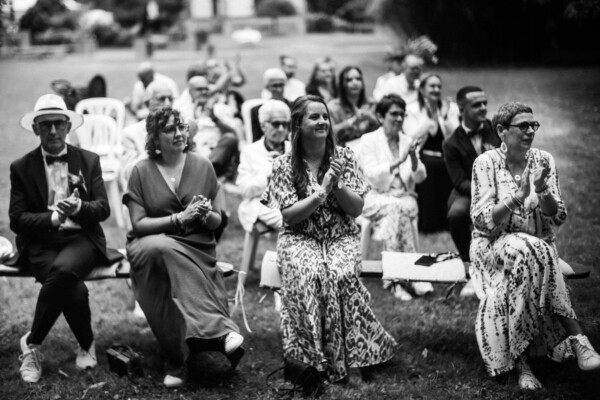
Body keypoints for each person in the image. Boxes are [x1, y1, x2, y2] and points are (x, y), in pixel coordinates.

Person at [261, 95, 397, 384]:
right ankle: (312, 360)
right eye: (314, 117)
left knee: (340, 274)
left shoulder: (345, 157)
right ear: (298, 124)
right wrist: (320, 192)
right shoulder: (285, 165)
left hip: (340, 236)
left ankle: (354, 356)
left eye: (325, 116)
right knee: (311, 274)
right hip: (299, 237)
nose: (323, 121)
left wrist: (337, 186)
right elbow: (290, 217)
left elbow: (357, 209)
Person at [470, 101, 600, 389]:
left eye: (534, 125)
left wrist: (541, 190)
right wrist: (517, 196)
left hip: (536, 247)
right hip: (494, 246)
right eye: (523, 126)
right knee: (538, 251)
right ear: (502, 131)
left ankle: (522, 363)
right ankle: (577, 338)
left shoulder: (544, 160)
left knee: (535, 252)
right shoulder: (486, 163)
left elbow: (558, 215)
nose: (530, 131)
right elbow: (482, 222)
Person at [123, 106, 244, 388]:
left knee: (168, 263)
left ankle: (178, 359)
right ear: (154, 137)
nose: (178, 133)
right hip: (148, 245)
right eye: (169, 129)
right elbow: (138, 224)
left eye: (181, 127)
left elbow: (216, 222)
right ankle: (217, 331)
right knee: (161, 249)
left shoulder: (203, 166)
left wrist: (202, 214)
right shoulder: (139, 171)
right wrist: (179, 218)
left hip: (195, 246)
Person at [10, 94, 122, 383]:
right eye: (45, 125)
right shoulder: (21, 167)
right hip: (40, 243)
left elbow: (103, 209)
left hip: (81, 240)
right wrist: (54, 218)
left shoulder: (87, 160)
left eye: (58, 124)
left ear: (68, 126)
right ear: (35, 128)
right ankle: (86, 344)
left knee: (63, 271)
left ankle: (32, 343)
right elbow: (17, 220)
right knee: (75, 290)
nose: (53, 131)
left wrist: (80, 208)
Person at [359, 94, 432, 301]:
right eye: (394, 114)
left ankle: (399, 279)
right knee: (394, 208)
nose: (399, 119)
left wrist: (414, 159)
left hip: (404, 198)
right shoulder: (369, 140)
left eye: (402, 114)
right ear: (381, 117)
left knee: (397, 208)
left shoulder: (407, 141)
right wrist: (397, 162)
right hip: (374, 197)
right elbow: (371, 173)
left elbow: (420, 177)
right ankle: (404, 278)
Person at [442, 86, 501, 296]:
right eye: (477, 105)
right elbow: (459, 181)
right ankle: (471, 263)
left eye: (484, 103)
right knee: (456, 214)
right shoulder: (450, 143)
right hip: (468, 191)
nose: (483, 108)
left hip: (502, 188)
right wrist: (484, 194)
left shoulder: (497, 130)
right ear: (461, 108)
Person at [404, 73, 459, 233]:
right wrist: (428, 119)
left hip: (445, 155)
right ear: (421, 89)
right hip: (423, 155)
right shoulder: (412, 110)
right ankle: (429, 223)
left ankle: (447, 221)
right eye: (432, 86)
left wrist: (444, 116)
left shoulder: (450, 108)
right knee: (430, 166)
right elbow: (412, 137)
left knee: (447, 166)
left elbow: (457, 135)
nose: (436, 89)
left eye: (438, 86)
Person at [236, 99, 290, 233]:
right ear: (263, 126)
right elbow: (244, 190)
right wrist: (269, 175)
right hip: (260, 204)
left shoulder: (294, 149)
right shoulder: (250, 152)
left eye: (285, 124)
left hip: (292, 201)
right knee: (293, 222)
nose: (281, 129)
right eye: (276, 124)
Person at [179, 75, 241, 180]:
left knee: (230, 138)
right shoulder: (182, 110)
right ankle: (206, 173)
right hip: (192, 150)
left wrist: (214, 118)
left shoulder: (221, 109)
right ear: (190, 92)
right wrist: (194, 114)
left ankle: (205, 172)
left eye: (206, 89)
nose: (204, 92)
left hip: (216, 153)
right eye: (199, 89)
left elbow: (234, 133)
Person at [328, 66, 379, 148]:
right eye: (349, 80)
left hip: (370, 148)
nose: (355, 82)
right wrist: (352, 121)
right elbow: (330, 132)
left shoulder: (372, 103)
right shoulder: (332, 107)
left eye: (358, 79)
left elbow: (384, 130)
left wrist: (372, 118)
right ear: (342, 84)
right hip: (343, 150)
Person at [249, 68, 290, 142]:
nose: (279, 89)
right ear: (267, 87)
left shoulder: (295, 107)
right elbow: (256, 139)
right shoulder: (256, 111)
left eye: (281, 85)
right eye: (275, 86)